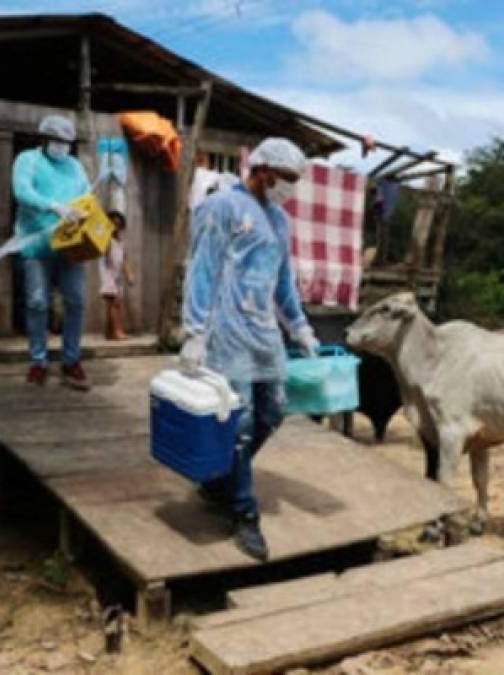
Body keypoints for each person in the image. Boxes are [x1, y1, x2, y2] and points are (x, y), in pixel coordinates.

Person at [179, 137, 319, 561]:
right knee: (238, 424)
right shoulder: (221, 207)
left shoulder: (279, 220)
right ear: (262, 170)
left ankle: (219, 480)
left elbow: (282, 281)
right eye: (287, 179)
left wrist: (299, 325)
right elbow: (201, 269)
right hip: (225, 330)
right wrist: (194, 332)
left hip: (263, 334)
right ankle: (243, 512)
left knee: (273, 413)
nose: (290, 189)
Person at [12, 114, 91, 390]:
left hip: (70, 245)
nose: (62, 146)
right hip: (36, 244)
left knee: (77, 301)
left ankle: (71, 359)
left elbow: (86, 196)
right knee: (36, 302)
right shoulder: (27, 160)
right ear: (45, 139)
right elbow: (21, 192)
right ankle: (38, 361)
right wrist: (54, 206)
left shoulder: (75, 167)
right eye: (57, 141)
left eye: (67, 142)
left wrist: (84, 212)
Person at [98, 211, 135, 340]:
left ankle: (109, 332)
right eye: (113, 224)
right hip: (108, 274)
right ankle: (118, 331)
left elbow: (124, 259)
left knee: (114, 304)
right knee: (114, 303)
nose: (115, 227)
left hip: (117, 275)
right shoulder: (106, 240)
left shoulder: (120, 241)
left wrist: (129, 274)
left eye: (118, 225)